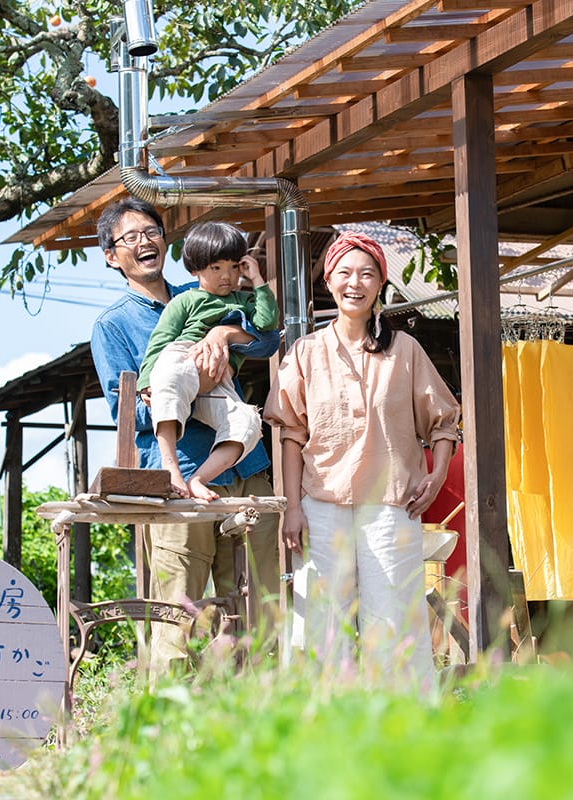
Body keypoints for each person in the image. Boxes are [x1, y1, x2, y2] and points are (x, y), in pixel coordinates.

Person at [90, 198, 281, 678]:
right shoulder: (113, 325)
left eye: (151, 231)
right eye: (129, 237)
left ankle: (262, 716)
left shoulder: (208, 289)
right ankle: (170, 721)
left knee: (259, 613)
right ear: (112, 256)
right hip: (177, 485)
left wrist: (223, 335)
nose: (144, 242)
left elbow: (266, 339)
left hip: (245, 470)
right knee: (177, 620)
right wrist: (181, 388)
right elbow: (125, 412)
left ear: (166, 240)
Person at [263, 231, 461, 692]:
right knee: (321, 620)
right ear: (329, 281)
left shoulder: (405, 351)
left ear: (380, 284)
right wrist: (291, 508)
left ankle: (402, 722)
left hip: (391, 507)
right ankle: (322, 720)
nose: (356, 283)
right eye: (345, 273)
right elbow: (291, 435)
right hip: (321, 505)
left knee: (394, 620)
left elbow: (443, 422)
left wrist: (437, 476)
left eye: (367, 274)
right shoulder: (306, 352)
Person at [138, 220, 278, 501]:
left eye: (234, 267)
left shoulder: (242, 301)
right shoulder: (185, 301)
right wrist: (146, 383)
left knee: (247, 422)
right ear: (195, 269)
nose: (227, 276)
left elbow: (267, 323)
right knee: (168, 375)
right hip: (184, 357)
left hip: (220, 381)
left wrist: (257, 280)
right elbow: (160, 341)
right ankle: (170, 467)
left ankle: (198, 479)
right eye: (216, 268)